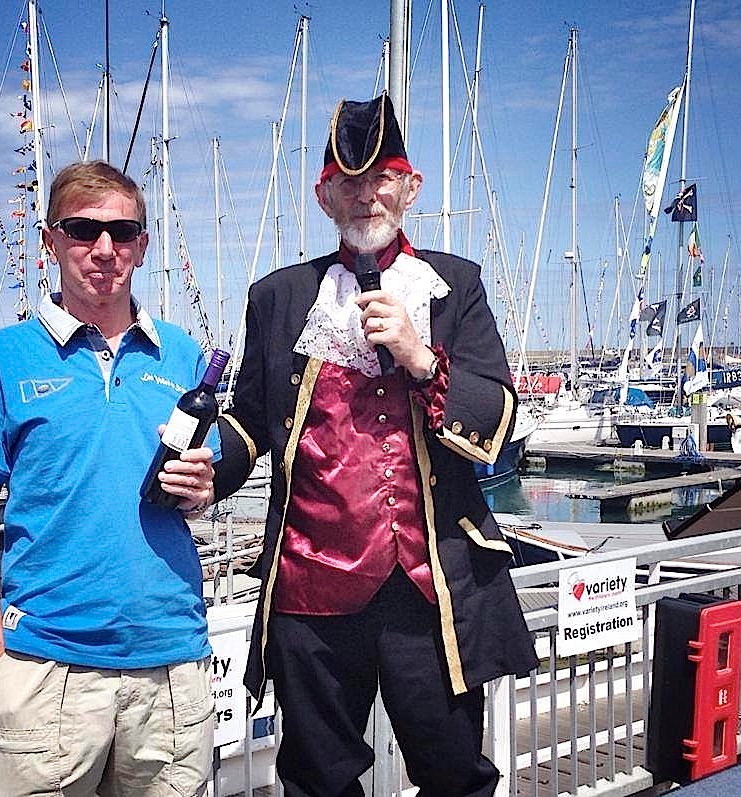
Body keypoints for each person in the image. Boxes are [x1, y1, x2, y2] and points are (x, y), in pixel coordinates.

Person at [212, 94, 538, 796]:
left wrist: (423, 359)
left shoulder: (455, 288)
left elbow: (502, 418)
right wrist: (207, 469)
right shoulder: (278, 298)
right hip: (308, 590)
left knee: (455, 775)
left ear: (410, 187)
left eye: (380, 178)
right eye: (348, 182)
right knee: (316, 781)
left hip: (428, 591)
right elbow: (247, 421)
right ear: (324, 195)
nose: (366, 196)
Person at [0, 160, 217, 797]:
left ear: (142, 247)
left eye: (122, 232)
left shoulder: (184, 357)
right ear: (50, 240)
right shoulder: (1, 359)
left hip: (170, 665)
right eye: (82, 229)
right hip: (45, 668)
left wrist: (200, 492)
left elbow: (198, 496)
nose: (103, 249)